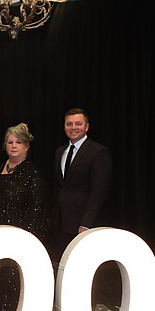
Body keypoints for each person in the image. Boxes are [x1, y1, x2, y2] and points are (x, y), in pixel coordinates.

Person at [0, 123, 49, 311]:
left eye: (18, 142)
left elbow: (37, 210)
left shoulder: (33, 175)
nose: (13, 146)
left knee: (12, 277)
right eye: (10, 142)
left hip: (18, 235)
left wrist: (25, 238)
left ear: (26, 146)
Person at [52, 108, 112, 258]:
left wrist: (86, 224)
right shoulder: (60, 151)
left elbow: (98, 191)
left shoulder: (98, 152)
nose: (73, 128)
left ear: (87, 127)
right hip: (61, 223)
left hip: (82, 224)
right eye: (69, 124)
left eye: (78, 124)